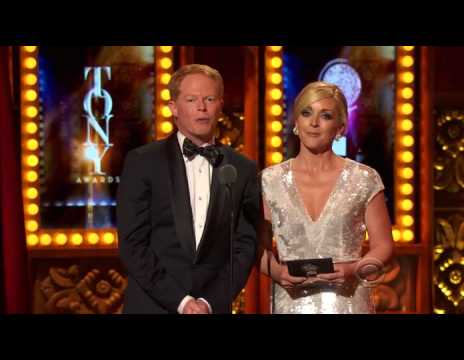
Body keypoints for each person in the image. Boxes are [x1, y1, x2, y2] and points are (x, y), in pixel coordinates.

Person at [117, 64, 259, 314]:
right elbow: (133, 244)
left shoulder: (242, 168)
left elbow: (244, 247)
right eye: (191, 99)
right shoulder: (143, 162)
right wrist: (182, 303)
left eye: (209, 99)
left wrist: (208, 302)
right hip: (153, 306)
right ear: (173, 107)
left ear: (220, 105)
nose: (201, 107)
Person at [260, 81, 394, 314]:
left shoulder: (364, 179)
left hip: (348, 303)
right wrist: (276, 271)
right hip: (289, 304)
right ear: (296, 121)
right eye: (306, 113)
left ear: (340, 127)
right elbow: (256, 248)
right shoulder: (270, 180)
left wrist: (354, 269)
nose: (313, 123)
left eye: (326, 115)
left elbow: (383, 246)